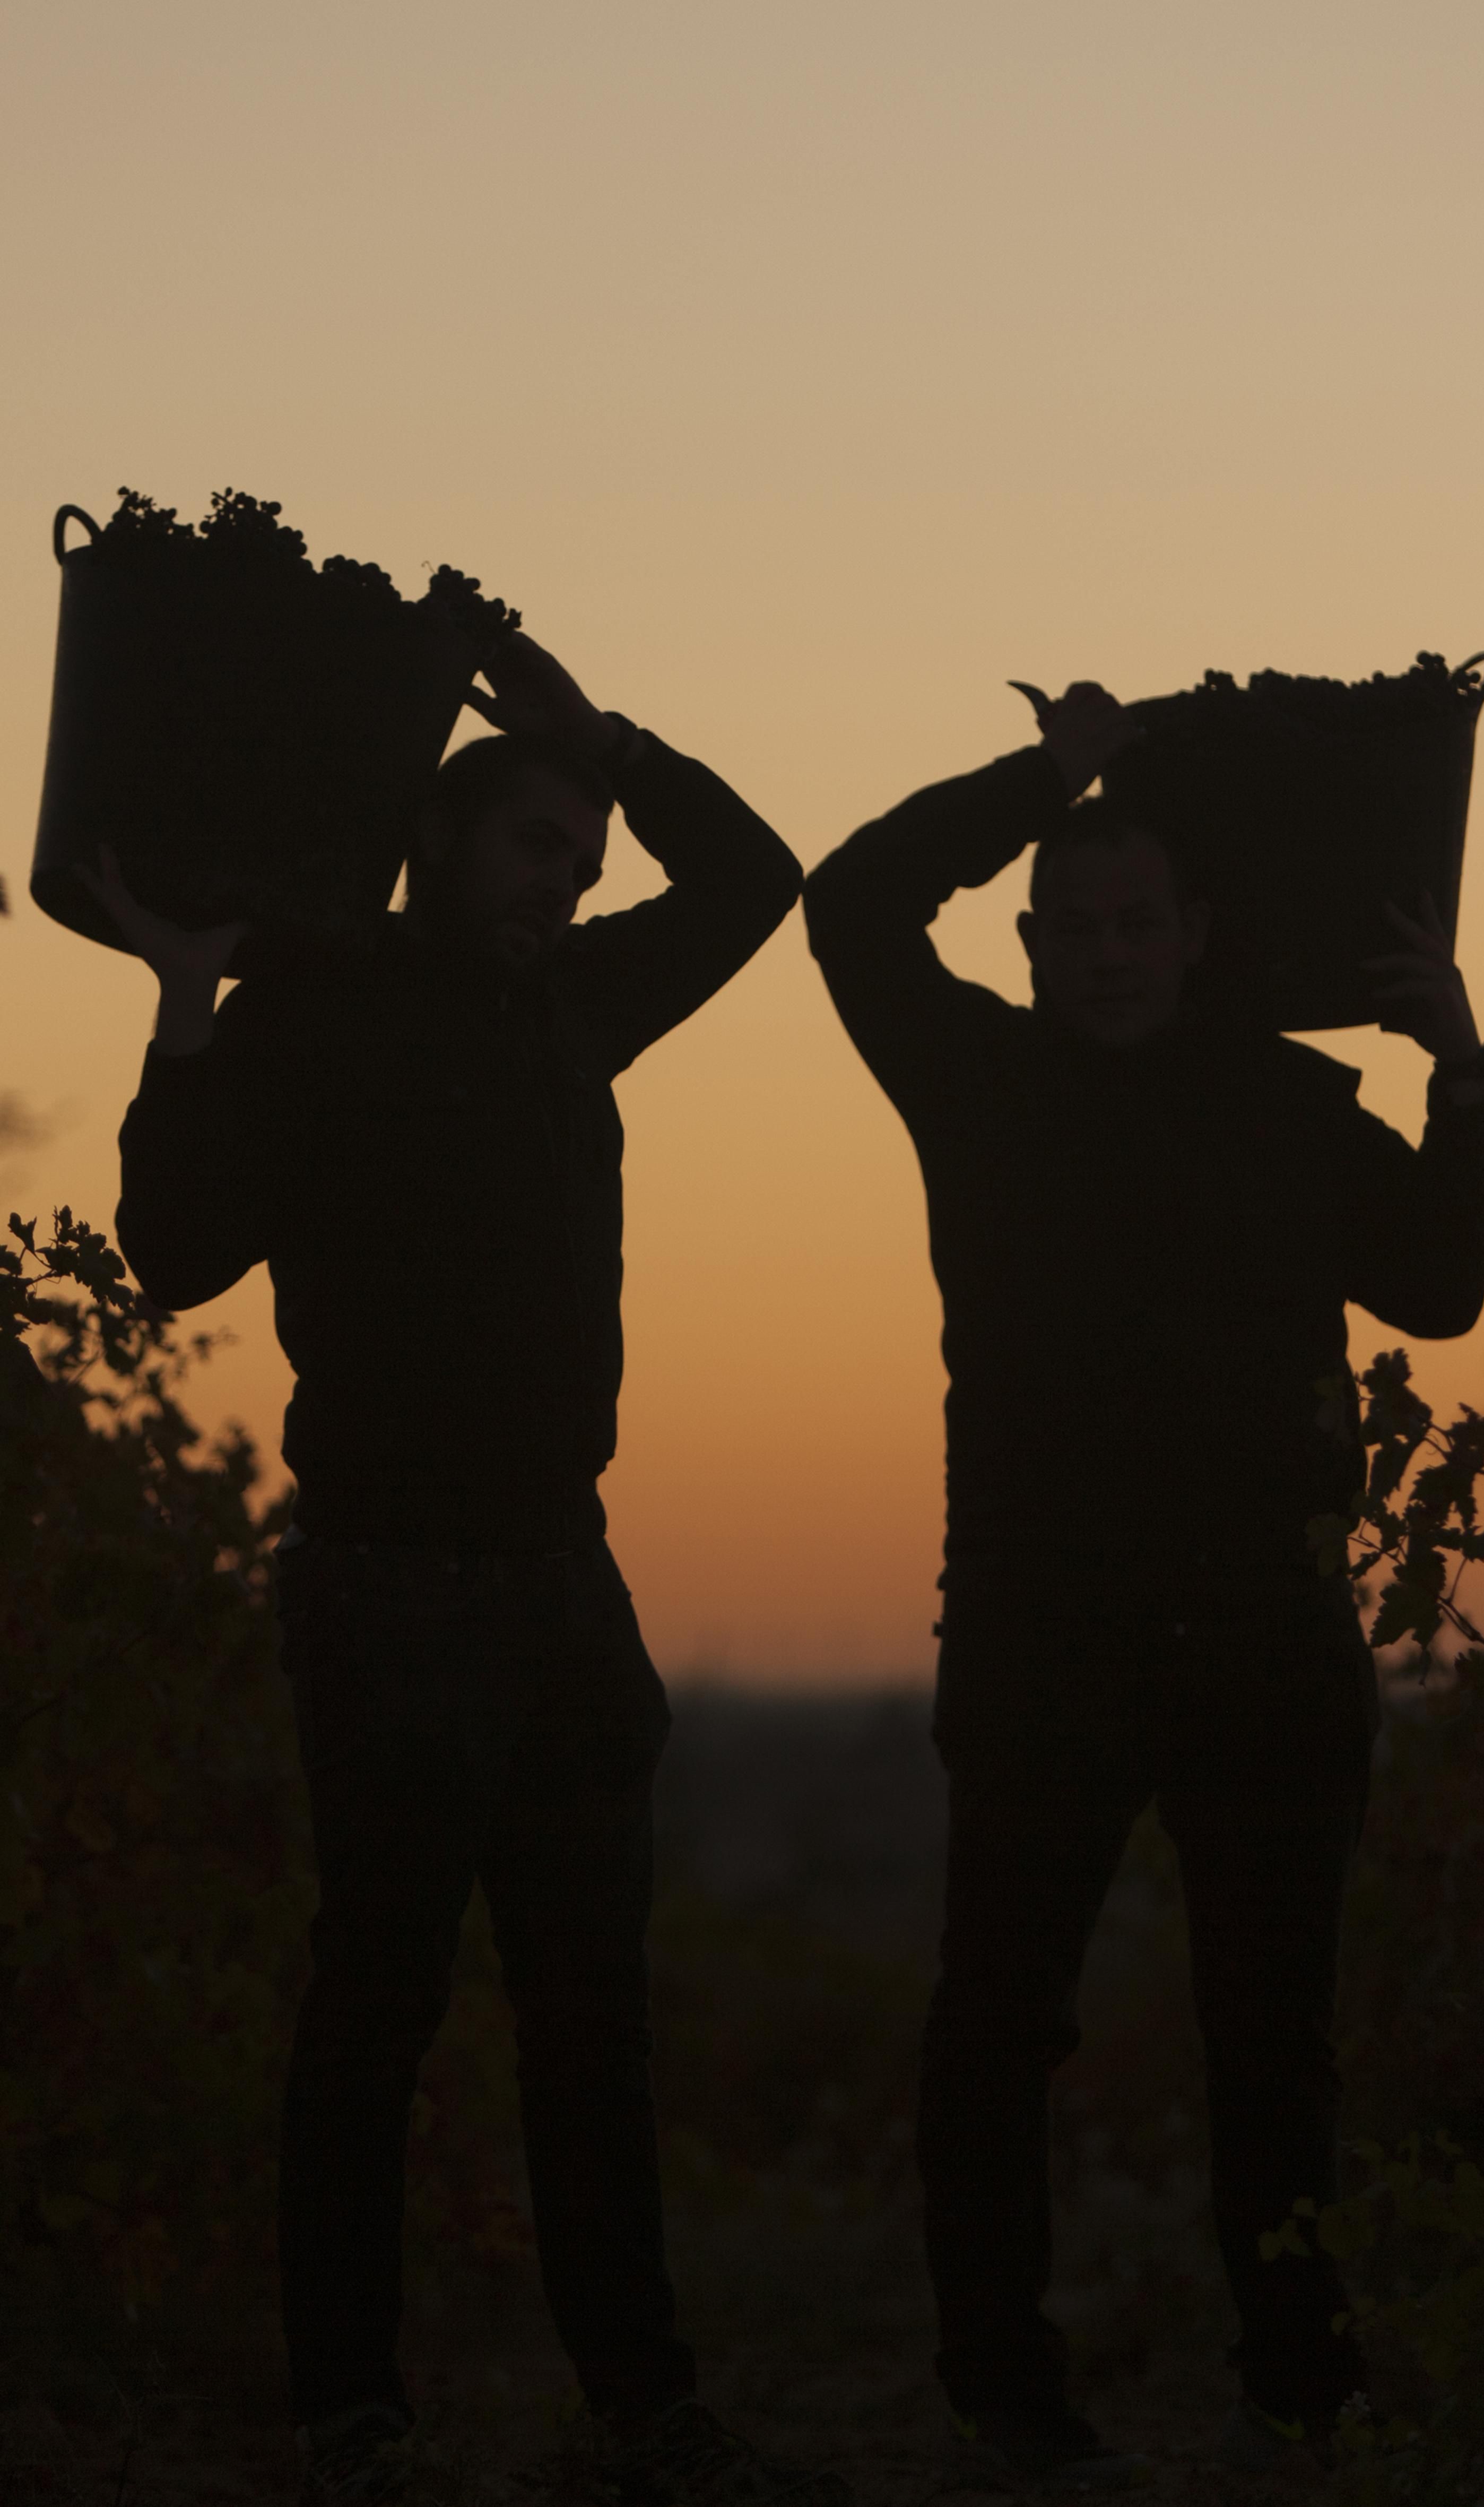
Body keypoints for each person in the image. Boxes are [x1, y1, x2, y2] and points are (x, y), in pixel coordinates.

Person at [92, 635, 845, 2507]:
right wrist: (186, 1005)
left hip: (560, 1586)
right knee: (378, 2012)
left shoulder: (572, 1002)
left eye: (583, 863)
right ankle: (350, 2413)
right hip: (386, 1586)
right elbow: (173, 1253)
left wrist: (597, 738)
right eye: (539, 847)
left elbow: (757, 878)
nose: (568, 888)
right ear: (433, 840)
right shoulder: (310, 1012)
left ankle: (642, 2404)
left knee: (593, 2018)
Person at [802, 682, 1484, 2487]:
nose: (1102, 957)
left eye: (1135, 924)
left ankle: (1299, 2380)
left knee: (1272, 2037)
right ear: (1030, 945)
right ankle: (1005, 2389)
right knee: (997, 2019)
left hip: (1264, 1633)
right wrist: (1049, 773)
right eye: (1071, 929)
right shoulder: (977, 1082)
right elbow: (852, 903)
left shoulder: (1287, 1105)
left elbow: (1430, 1286)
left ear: (1197, 936)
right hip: (1043, 1628)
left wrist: (1462, 1070)